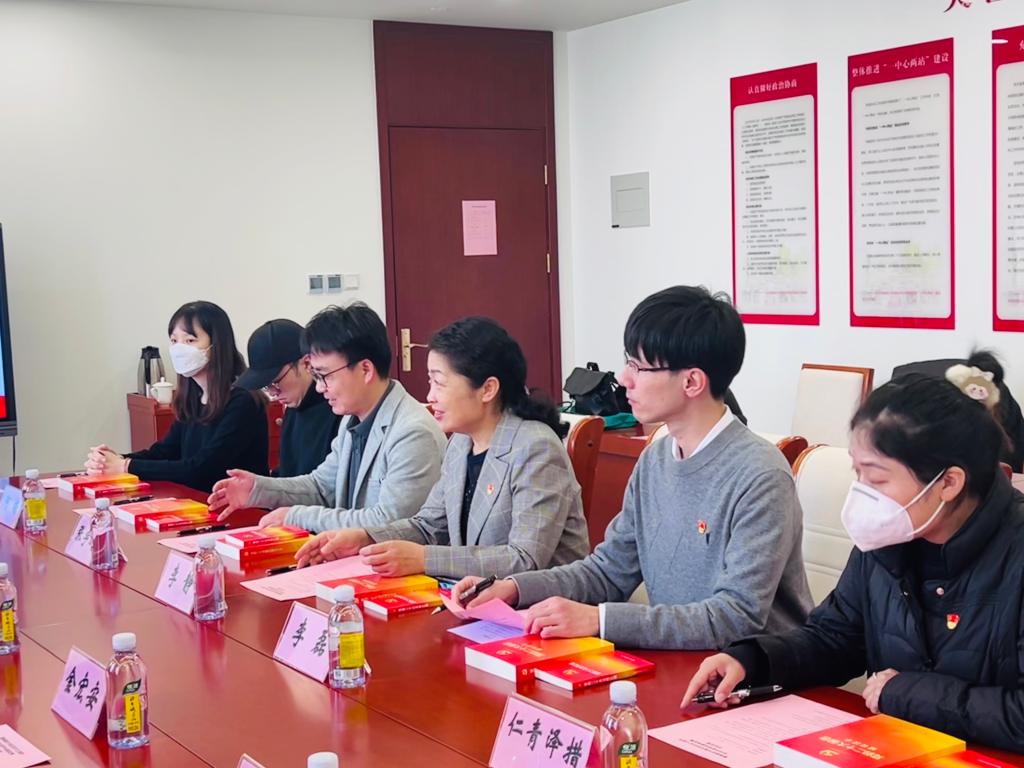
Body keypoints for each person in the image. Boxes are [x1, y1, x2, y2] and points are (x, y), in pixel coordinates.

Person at [452, 286, 813, 649]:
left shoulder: (760, 475)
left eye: (639, 367)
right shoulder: (655, 460)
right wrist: (515, 588)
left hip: (757, 669)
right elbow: (608, 572)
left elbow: (735, 617)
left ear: (691, 382)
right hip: (679, 660)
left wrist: (599, 620)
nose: (624, 378)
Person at [681, 374, 1024, 754]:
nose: (861, 495)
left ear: (948, 483)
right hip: (896, 750)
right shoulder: (890, 535)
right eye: (857, 474)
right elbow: (836, 638)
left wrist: (907, 694)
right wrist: (752, 661)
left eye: (876, 479)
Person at [294, 317, 590, 580]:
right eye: (430, 381)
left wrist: (425, 559)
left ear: (487, 389)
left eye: (439, 383)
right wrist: (364, 538)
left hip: (541, 612)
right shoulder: (461, 442)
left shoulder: (536, 448)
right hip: (477, 602)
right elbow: (428, 526)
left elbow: (524, 559)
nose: (430, 395)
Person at [207, 303, 446, 533]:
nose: (320, 388)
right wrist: (258, 489)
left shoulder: (413, 432)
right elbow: (322, 487)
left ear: (365, 370)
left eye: (325, 376)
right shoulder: (353, 420)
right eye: (316, 376)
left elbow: (389, 524)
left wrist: (296, 516)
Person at [84, 301, 268, 493]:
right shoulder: (194, 397)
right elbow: (165, 452)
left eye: (190, 340)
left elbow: (201, 468)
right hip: (197, 501)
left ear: (217, 345)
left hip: (238, 507)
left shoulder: (243, 401)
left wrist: (125, 466)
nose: (179, 349)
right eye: (174, 341)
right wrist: (114, 460)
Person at [236, 319, 340, 477]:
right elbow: (288, 473)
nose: (273, 393)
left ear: (306, 363)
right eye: (266, 386)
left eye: (275, 382)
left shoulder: (338, 408)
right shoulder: (293, 407)